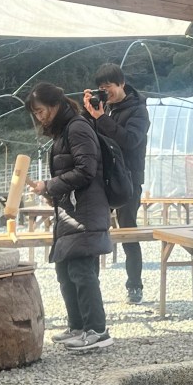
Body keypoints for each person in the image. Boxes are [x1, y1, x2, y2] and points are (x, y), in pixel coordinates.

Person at [27, 83, 113, 352]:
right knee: (65, 270)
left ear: (55, 105)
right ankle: (78, 326)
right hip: (72, 210)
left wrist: (49, 185)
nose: (39, 117)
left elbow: (86, 170)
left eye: (40, 111)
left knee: (82, 271)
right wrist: (53, 192)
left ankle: (97, 330)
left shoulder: (77, 127)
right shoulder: (64, 132)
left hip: (85, 211)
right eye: (35, 113)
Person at [84, 63, 150, 303]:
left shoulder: (139, 110)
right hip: (104, 178)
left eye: (108, 86)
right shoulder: (105, 109)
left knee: (128, 231)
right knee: (95, 228)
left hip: (128, 180)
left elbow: (130, 140)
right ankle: (91, 285)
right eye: (100, 88)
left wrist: (102, 118)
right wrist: (88, 112)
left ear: (121, 83)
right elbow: (91, 135)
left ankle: (135, 285)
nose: (105, 92)